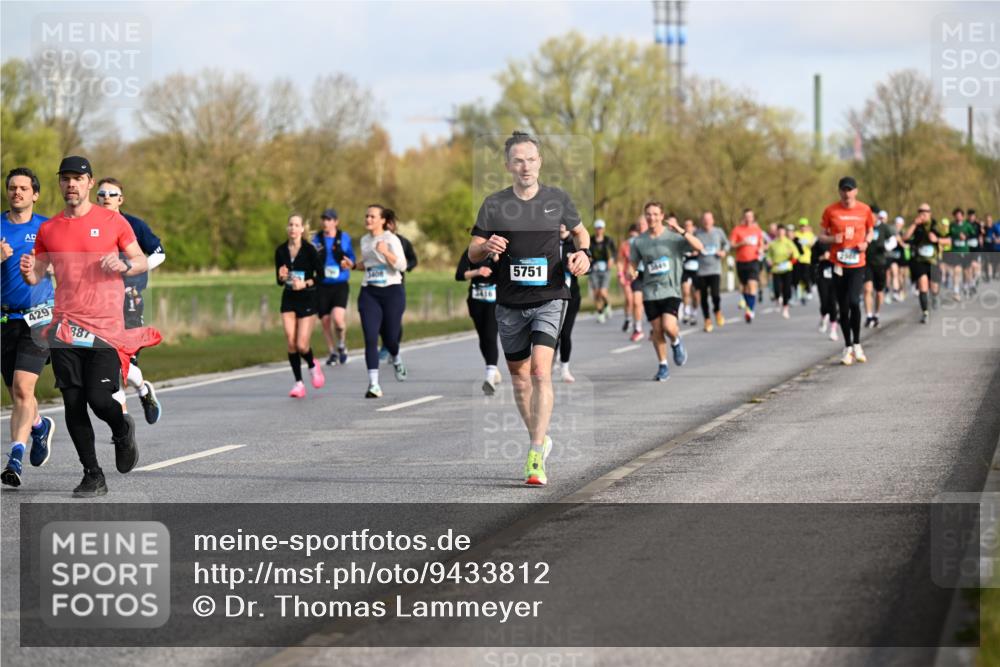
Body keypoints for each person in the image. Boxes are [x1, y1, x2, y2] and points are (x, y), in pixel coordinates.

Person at [20, 156, 161, 497]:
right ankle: (92, 474)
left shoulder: (112, 221)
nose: (71, 184)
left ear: (89, 183)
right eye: (66, 178)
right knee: (72, 402)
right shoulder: (49, 229)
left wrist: (124, 263)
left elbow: (141, 259)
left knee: (99, 399)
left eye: (78, 178)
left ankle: (121, 427)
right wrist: (29, 272)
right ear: (60, 184)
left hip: (106, 328)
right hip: (66, 327)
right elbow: (38, 273)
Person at [468, 131, 590, 486]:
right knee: (520, 380)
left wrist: (583, 254)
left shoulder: (557, 199)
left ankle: (535, 453)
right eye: (518, 160)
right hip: (508, 302)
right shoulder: (494, 204)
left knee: (540, 372)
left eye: (531, 159)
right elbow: (474, 250)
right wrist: (485, 244)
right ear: (508, 165)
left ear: (540, 162)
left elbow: (581, 235)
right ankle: (540, 437)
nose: (525, 166)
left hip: (550, 297)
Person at [1, 168, 56, 487]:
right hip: (4, 320)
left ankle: (14, 459)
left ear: (35, 194)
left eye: (23, 188)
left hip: (39, 318)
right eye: (12, 188)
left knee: (23, 388)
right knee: (17, 394)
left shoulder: (47, 228)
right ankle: (38, 426)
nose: (17, 192)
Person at [94, 177, 165, 424]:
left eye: (112, 194)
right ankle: (123, 420)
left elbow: (158, 253)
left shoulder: (133, 224)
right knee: (111, 363)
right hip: (99, 303)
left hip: (129, 299)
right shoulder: (88, 225)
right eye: (101, 193)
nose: (106, 197)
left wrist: (135, 270)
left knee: (124, 360)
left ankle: (142, 392)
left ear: (120, 199)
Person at [630, 204, 701, 381]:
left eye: (655, 214)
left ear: (661, 215)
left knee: (669, 326)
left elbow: (699, 247)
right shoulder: (639, 241)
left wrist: (682, 231)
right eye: (648, 214)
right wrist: (632, 271)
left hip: (670, 290)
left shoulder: (673, 238)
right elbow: (633, 261)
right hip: (650, 291)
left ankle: (676, 342)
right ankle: (663, 365)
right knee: (657, 330)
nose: (651, 218)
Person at [819, 176, 874, 365]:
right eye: (843, 189)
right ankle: (848, 346)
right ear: (839, 191)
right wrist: (833, 239)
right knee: (842, 307)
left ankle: (858, 343)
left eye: (850, 189)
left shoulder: (865, 209)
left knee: (853, 302)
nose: (847, 193)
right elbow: (821, 236)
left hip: (857, 263)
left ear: (856, 191)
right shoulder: (831, 210)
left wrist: (866, 243)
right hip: (838, 264)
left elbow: (871, 231)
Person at [355, 204, 408, 398]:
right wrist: (352, 265)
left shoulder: (391, 239)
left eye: (372, 216)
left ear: (383, 220)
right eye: (366, 216)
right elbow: (368, 263)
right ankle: (374, 384)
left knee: (390, 339)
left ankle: (396, 356)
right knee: (370, 337)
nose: (368, 219)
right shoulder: (364, 240)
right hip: (369, 292)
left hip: (392, 292)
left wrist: (386, 252)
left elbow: (402, 265)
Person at [276, 214, 324, 398]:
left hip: (307, 299)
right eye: (290, 225)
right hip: (288, 299)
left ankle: (312, 364)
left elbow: (321, 276)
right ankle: (298, 383)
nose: (293, 228)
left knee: (302, 345)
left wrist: (305, 284)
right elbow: (280, 281)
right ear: (287, 228)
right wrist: (282, 277)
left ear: (302, 229)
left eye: (297, 225)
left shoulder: (310, 250)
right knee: (291, 341)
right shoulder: (280, 251)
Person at [455, 248, 502, 395]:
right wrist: (477, 272)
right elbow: (459, 275)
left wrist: (496, 258)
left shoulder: (501, 252)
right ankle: (493, 367)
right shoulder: (471, 252)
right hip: (476, 301)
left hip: (494, 301)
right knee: (483, 338)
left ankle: (489, 378)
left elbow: (506, 275)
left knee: (490, 336)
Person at [312, 208, 355, 367]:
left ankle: (342, 343)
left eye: (329, 219)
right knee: (325, 320)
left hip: (339, 284)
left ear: (336, 222)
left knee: (338, 319)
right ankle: (332, 352)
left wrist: (347, 262)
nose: (326, 222)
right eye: (324, 219)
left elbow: (351, 257)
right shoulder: (316, 239)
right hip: (322, 285)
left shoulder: (344, 238)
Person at [379, 211, 417, 364]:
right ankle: (386, 345)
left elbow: (413, 260)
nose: (388, 226)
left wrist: (405, 266)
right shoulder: (374, 240)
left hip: (397, 284)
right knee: (380, 318)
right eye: (385, 224)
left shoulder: (403, 242)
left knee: (394, 318)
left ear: (394, 225)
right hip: (378, 284)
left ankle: (393, 346)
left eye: (391, 223)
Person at [553, 223, 582, 383]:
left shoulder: (576, 244)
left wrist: (577, 266)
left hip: (571, 296)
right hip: (551, 296)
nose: (562, 226)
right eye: (559, 222)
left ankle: (565, 368)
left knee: (565, 334)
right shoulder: (548, 242)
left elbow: (587, 266)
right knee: (552, 334)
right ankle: (550, 363)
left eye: (565, 223)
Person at [902, 204, 939, 324]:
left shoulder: (936, 225)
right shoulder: (916, 226)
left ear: (930, 213)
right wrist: (914, 224)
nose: (923, 213)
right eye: (920, 211)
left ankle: (935, 295)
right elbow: (905, 237)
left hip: (933, 260)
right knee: (923, 284)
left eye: (926, 211)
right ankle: (925, 312)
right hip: (919, 260)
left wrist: (937, 240)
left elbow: (949, 240)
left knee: (933, 286)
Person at [694, 210, 729, 332]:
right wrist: (694, 251)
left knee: (715, 295)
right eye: (704, 220)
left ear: (713, 220)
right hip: (702, 270)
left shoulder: (718, 232)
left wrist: (724, 251)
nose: (707, 222)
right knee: (703, 297)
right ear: (701, 221)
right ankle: (707, 320)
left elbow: (727, 244)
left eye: (709, 219)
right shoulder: (697, 233)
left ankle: (717, 310)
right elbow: (690, 245)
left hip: (715, 269)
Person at [730, 208, 764, 323]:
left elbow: (762, 244)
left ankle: (750, 310)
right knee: (745, 288)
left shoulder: (757, 230)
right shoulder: (737, 230)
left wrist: (761, 249)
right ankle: (748, 306)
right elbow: (732, 245)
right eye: (747, 216)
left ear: (753, 218)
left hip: (753, 260)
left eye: (751, 216)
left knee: (752, 284)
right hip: (741, 261)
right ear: (744, 218)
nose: (749, 218)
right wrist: (742, 243)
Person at [863, 209, 896, 328]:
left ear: (877, 216)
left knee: (879, 291)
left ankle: (876, 315)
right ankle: (868, 316)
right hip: (866, 262)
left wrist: (885, 247)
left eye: (873, 215)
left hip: (880, 263)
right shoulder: (865, 227)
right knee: (867, 289)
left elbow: (893, 241)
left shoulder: (884, 228)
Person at [619, 217, 647, 340]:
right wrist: (629, 271)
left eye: (643, 224)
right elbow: (630, 260)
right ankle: (638, 328)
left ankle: (655, 327)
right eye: (639, 224)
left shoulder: (655, 238)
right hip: (638, 274)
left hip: (653, 274)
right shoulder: (633, 242)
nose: (640, 226)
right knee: (635, 301)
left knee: (650, 303)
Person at [765, 224, 800, 319]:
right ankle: (778, 298)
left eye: (782, 231)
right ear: (776, 232)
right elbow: (768, 255)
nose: (780, 233)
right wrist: (769, 260)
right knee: (777, 288)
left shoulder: (789, 243)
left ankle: (785, 308)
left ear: (785, 232)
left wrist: (791, 259)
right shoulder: (773, 243)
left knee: (787, 289)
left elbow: (796, 255)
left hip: (787, 268)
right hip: (776, 268)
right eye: (779, 231)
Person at [589, 219, 615, 323]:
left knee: (603, 292)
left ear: (603, 229)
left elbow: (614, 252)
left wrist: (611, 259)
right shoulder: (591, 240)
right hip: (594, 269)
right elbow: (586, 250)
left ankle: (607, 304)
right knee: (596, 293)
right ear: (595, 229)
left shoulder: (608, 240)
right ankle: (600, 313)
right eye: (597, 228)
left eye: (601, 228)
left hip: (605, 269)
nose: (599, 230)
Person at [813, 240, 839, 341]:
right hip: (823, 276)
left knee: (833, 303)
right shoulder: (820, 243)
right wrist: (822, 258)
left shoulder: (839, 242)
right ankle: (824, 316)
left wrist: (833, 257)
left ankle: (833, 329)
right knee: (824, 302)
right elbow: (812, 260)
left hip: (836, 275)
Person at [679, 218, 701, 326]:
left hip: (697, 270)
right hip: (685, 270)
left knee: (696, 296)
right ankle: (686, 312)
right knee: (685, 290)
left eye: (689, 225)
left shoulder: (698, 238)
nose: (687, 227)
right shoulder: (681, 240)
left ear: (693, 227)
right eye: (685, 225)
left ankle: (694, 313)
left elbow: (703, 250)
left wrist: (697, 253)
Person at [793, 217, 816, 304]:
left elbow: (813, 245)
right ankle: (802, 294)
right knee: (799, 278)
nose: (803, 227)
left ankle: (808, 290)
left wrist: (810, 244)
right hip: (798, 259)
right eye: (801, 226)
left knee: (806, 276)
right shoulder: (796, 234)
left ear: (807, 226)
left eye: (804, 226)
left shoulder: (810, 235)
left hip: (807, 258)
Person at [886, 216, 907, 302]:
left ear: (902, 225)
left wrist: (901, 242)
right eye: (896, 224)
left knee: (901, 275)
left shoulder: (904, 233)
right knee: (894, 273)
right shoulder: (891, 232)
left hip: (901, 257)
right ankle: (894, 292)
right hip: (892, 256)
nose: (898, 225)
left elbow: (906, 244)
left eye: (899, 224)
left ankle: (900, 290)